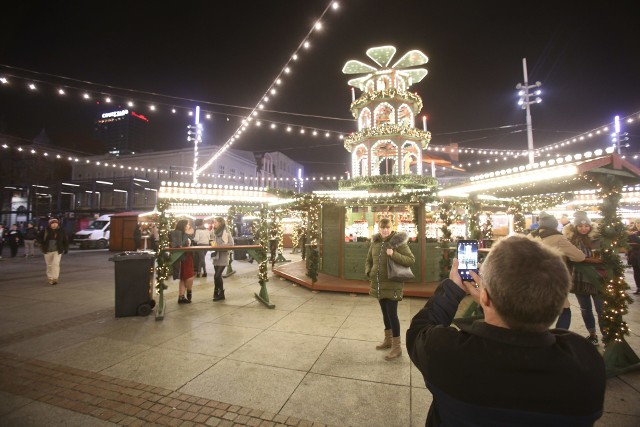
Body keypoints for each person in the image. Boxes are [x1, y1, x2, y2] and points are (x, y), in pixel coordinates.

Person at [407, 235, 606, 426]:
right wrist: (492, 303)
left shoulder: (448, 352)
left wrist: (453, 288)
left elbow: (420, 329)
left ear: (485, 298)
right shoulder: (585, 364)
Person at [365, 218, 415, 360]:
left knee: (392, 315)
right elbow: (368, 260)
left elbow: (411, 260)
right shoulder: (375, 242)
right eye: (382, 228)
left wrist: (394, 254)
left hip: (393, 284)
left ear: (392, 227)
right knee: (385, 314)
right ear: (378, 228)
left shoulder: (397, 242)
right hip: (379, 284)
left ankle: (397, 347)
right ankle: (388, 340)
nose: (385, 230)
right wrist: (369, 272)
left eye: (387, 227)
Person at [530, 211, 585, 329]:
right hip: (553, 279)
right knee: (565, 309)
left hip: (533, 279)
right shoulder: (558, 238)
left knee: (538, 310)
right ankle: (561, 336)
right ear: (554, 225)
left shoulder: (531, 236)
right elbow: (579, 257)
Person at [567, 211, 605, 345]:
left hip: (597, 279)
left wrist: (587, 260)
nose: (584, 228)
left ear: (590, 226)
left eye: (586, 226)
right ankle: (593, 334)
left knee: (601, 310)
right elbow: (571, 257)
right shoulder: (571, 240)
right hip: (579, 279)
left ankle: (607, 336)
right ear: (576, 227)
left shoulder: (597, 239)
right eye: (580, 226)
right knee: (585, 308)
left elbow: (603, 257)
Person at [39, 218, 69, 285]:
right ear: (50, 224)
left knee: (55, 264)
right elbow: (39, 237)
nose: (54, 224)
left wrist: (66, 248)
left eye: (56, 223)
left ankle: (55, 278)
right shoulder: (45, 230)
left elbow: (65, 240)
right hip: (47, 250)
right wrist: (42, 243)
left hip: (57, 250)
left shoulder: (61, 230)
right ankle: (50, 278)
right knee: (49, 265)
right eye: (52, 223)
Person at [211, 216, 234, 301]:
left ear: (220, 223)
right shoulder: (213, 231)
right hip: (216, 256)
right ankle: (217, 292)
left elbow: (231, 244)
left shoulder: (226, 231)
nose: (214, 224)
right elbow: (211, 240)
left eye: (215, 222)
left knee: (217, 276)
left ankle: (221, 293)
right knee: (216, 275)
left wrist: (219, 246)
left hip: (223, 255)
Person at [627, 224, 640, 294]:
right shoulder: (636, 233)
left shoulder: (634, 235)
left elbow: (638, 241)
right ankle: (638, 287)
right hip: (635, 256)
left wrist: (631, 235)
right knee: (636, 272)